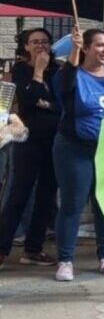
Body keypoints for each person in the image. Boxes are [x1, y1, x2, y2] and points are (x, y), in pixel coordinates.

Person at [51, 29, 104, 281]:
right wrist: (72, 52)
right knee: (73, 203)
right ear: (85, 48)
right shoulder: (73, 75)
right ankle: (65, 260)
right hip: (75, 147)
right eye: (99, 45)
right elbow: (63, 86)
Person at [0, 29, 61, 267]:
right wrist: (37, 72)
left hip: (54, 139)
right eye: (35, 42)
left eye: (44, 42)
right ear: (26, 46)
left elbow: (59, 103)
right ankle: (2, 246)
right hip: (28, 140)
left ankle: (33, 248)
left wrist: (45, 102)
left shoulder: (57, 70)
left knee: (46, 196)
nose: (40, 46)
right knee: (19, 192)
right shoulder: (21, 70)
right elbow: (28, 98)